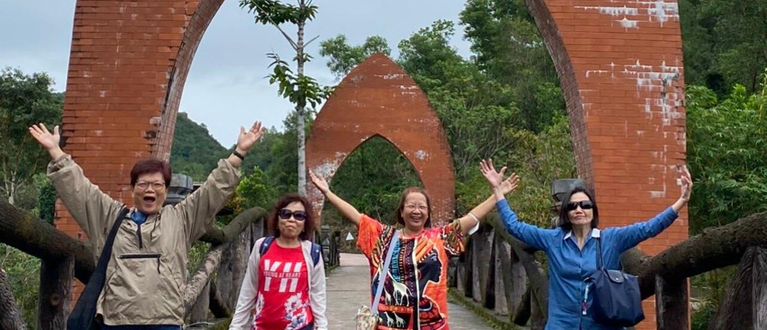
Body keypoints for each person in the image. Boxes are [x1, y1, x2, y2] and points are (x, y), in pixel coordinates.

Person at [28, 121, 265, 330]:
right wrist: (56, 151)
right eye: (143, 184)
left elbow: (212, 191)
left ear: (166, 189)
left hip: (165, 321)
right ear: (133, 189)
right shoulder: (110, 217)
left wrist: (239, 153)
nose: (150, 190)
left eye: (157, 185)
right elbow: (81, 191)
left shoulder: (181, 218)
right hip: (116, 321)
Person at [479, 159, 693, 330]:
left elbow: (648, 228)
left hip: (602, 324)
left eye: (585, 205)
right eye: (572, 206)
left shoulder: (611, 239)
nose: (578, 209)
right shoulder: (553, 240)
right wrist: (498, 191)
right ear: (566, 213)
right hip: (561, 325)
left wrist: (681, 202)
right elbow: (515, 227)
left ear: (593, 210)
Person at [308, 170, 518, 330]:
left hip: (430, 324)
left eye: (422, 207)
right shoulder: (384, 237)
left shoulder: (440, 238)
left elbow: (471, 218)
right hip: (388, 324)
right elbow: (356, 216)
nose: (416, 211)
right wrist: (328, 192)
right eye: (411, 206)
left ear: (428, 213)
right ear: (402, 211)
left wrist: (496, 194)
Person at [230, 194, 327, 330]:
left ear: (306, 222)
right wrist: (236, 326)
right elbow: (248, 290)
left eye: (299, 216)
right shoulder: (262, 247)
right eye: (286, 214)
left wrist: (322, 327)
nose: (291, 220)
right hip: (262, 326)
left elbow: (318, 297)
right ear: (277, 218)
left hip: (299, 326)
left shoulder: (312, 252)